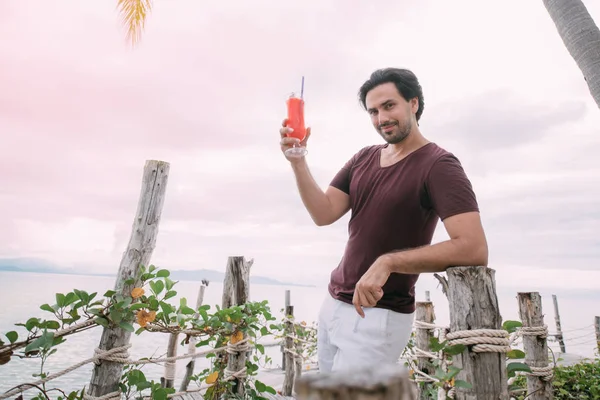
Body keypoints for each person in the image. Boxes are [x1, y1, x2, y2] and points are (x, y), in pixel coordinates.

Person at [278, 68, 488, 372]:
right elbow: (323, 213)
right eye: (373, 111)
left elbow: (473, 248)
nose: (381, 118)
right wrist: (297, 161)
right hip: (333, 303)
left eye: (389, 106)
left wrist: (388, 262)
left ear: (413, 103)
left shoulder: (439, 165)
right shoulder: (363, 157)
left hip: (379, 315)